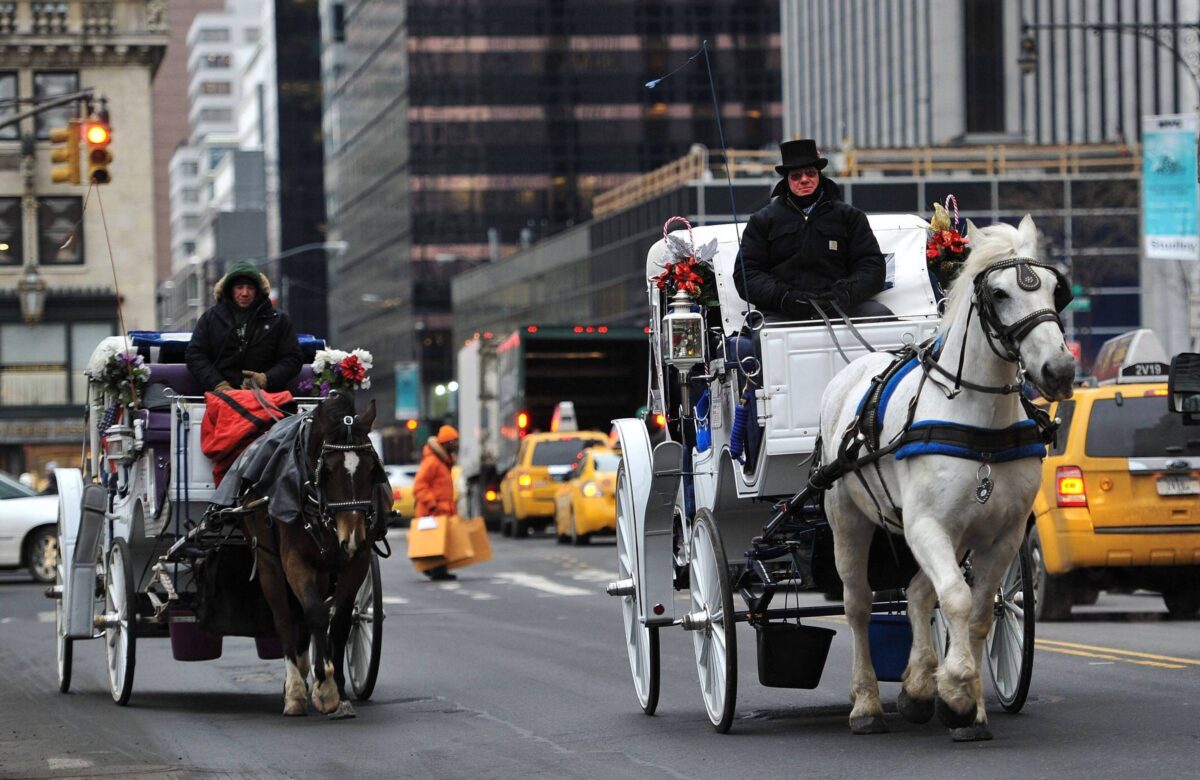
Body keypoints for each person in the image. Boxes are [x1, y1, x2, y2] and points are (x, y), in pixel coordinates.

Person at [733, 139, 887, 320]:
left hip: (843, 307)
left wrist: (844, 294)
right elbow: (747, 274)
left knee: (881, 317)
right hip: (783, 311)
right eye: (796, 175)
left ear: (819, 175)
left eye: (810, 173)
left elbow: (872, 266)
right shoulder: (761, 221)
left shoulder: (850, 217)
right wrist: (785, 297)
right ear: (787, 180)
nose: (804, 179)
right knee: (767, 338)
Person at [185, 260, 303, 394]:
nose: (245, 293)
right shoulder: (210, 319)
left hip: (267, 400)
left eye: (250, 288)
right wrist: (218, 384)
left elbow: (292, 359)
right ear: (230, 290)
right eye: (239, 287)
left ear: (258, 290)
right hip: (220, 400)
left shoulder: (279, 320)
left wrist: (265, 379)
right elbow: (195, 355)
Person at [412, 425, 460, 581]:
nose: (456, 445)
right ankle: (435, 570)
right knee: (434, 544)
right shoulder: (433, 462)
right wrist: (432, 504)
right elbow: (419, 486)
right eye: (454, 441)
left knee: (441, 544)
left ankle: (437, 570)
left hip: (441, 510)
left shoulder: (444, 462)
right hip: (432, 511)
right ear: (446, 443)